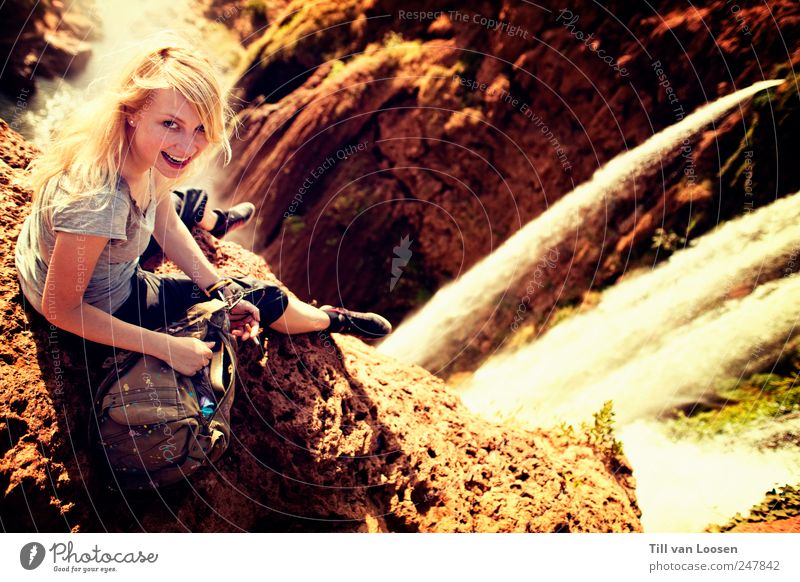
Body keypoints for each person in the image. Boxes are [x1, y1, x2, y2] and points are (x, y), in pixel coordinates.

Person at [14, 33, 392, 379]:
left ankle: (217, 221)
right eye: (170, 124)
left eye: (199, 130)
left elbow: (163, 217)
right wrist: (167, 348)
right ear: (132, 110)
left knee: (186, 202)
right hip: (103, 306)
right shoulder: (101, 202)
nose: (187, 147)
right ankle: (327, 320)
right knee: (266, 296)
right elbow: (61, 308)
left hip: (74, 256)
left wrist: (217, 286)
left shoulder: (128, 149)